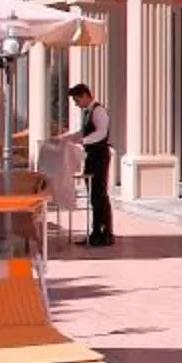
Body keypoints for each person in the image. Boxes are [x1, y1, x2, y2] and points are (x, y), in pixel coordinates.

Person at [68, 82, 112, 248]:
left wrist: (83, 140)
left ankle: (104, 233)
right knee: (94, 195)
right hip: (91, 156)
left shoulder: (99, 111)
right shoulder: (88, 112)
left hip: (99, 156)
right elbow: (84, 132)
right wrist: (69, 138)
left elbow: (101, 132)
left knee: (99, 194)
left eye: (77, 100)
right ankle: (95, 233)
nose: (76, 104)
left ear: (86, 95)